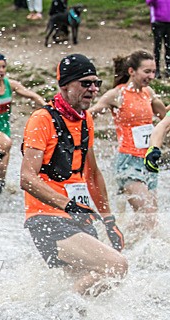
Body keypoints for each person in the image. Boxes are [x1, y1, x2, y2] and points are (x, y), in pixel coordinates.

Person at [20, 54, 128, 295]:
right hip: (47, 218)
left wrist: (109, 219)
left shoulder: (85, 119)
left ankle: (59, 318)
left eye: (96, 83)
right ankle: (57, 314)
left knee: (95, 285)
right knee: (116, 265)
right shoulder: (42, 120)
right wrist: (68, 205)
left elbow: (93, 175)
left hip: (79, 216)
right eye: (85, 83)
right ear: (65, 85)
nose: (93, 89)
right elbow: (27, 178)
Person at [90, 50, 165, 234]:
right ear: (132, 71)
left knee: (148, 220)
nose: (151, 76)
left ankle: (118, 239)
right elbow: (90, 114)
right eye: (146, 72)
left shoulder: (149, 93)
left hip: (149, 162)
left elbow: (164, 116)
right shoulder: (117, 94)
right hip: (128, 163)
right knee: (148, 216)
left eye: (153, 71)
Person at [0, 52, 45, 194]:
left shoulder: (10, 85)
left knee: (1, 176)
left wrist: (47, 107)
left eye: (3, 67)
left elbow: (32, 95)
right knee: (6, 143)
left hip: (4, 132)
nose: (1, 71)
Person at [147, 0, 170, 78]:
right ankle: (156, 69)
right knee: (158, 46)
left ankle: (168, 68)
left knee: (169, 46)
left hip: (169, 22)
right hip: (157, 21)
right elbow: (149, 2)